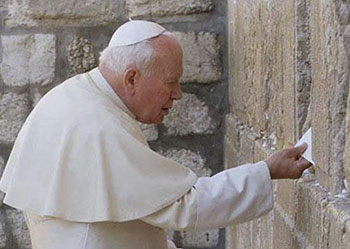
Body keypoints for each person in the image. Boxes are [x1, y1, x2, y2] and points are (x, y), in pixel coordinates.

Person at [0, 20, 311, 249]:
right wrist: (266, 171)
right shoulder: (100, 125)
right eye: (171, 82)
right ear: (132, 78)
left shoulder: (75, 97)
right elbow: (184, 204)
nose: (177, 95)